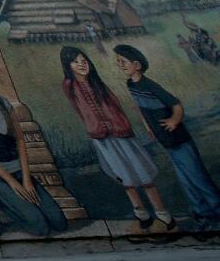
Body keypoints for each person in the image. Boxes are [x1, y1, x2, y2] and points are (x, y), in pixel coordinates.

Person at [59, 46, 169, 228]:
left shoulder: (97, 83)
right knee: (123, 176)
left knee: (143, 172)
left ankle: (161, 212)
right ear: (68, 65)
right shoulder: (70, 86)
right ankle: (141, 212)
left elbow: (115, 106)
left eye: (84, 61)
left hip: (121, 132)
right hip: (102, 137)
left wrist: (121, 125)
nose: (81, 65)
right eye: (76, 62)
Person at [0, 56, 67, 237]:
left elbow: (19, 141)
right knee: (40, 227)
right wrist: (12, 183)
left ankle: (15, 202)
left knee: (59, 222)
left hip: (19, 171)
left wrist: (25, 179)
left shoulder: (3, 103)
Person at [115, 44, 220, 228]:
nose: (120, 65)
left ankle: (217, 214)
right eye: (118, 62)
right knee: (186, 181)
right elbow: (139, 106)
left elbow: (176, 105)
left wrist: (173, 120)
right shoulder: (131, 84)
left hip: (179, 139)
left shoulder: (150, 85)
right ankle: (202, 215)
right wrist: (148, 125)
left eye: (123, 62)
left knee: (198, 178)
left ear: (137, 65)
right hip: (167, 142)